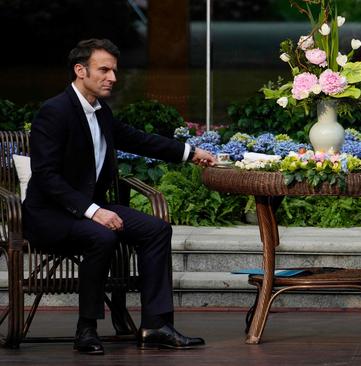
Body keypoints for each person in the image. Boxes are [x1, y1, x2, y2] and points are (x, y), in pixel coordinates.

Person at [23, 38, 218, 355]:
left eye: (114, 71)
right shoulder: (54, 112)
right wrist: (93, 211)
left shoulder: (101, 112)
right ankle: (86, 329)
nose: (112, 77)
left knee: (156, 230)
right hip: (50, 215)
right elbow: (46, 177)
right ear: (80, 70)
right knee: (102, 236)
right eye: (104, 70)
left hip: (87, 210)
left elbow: (137, 139)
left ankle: (156, 324)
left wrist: (190, 152)